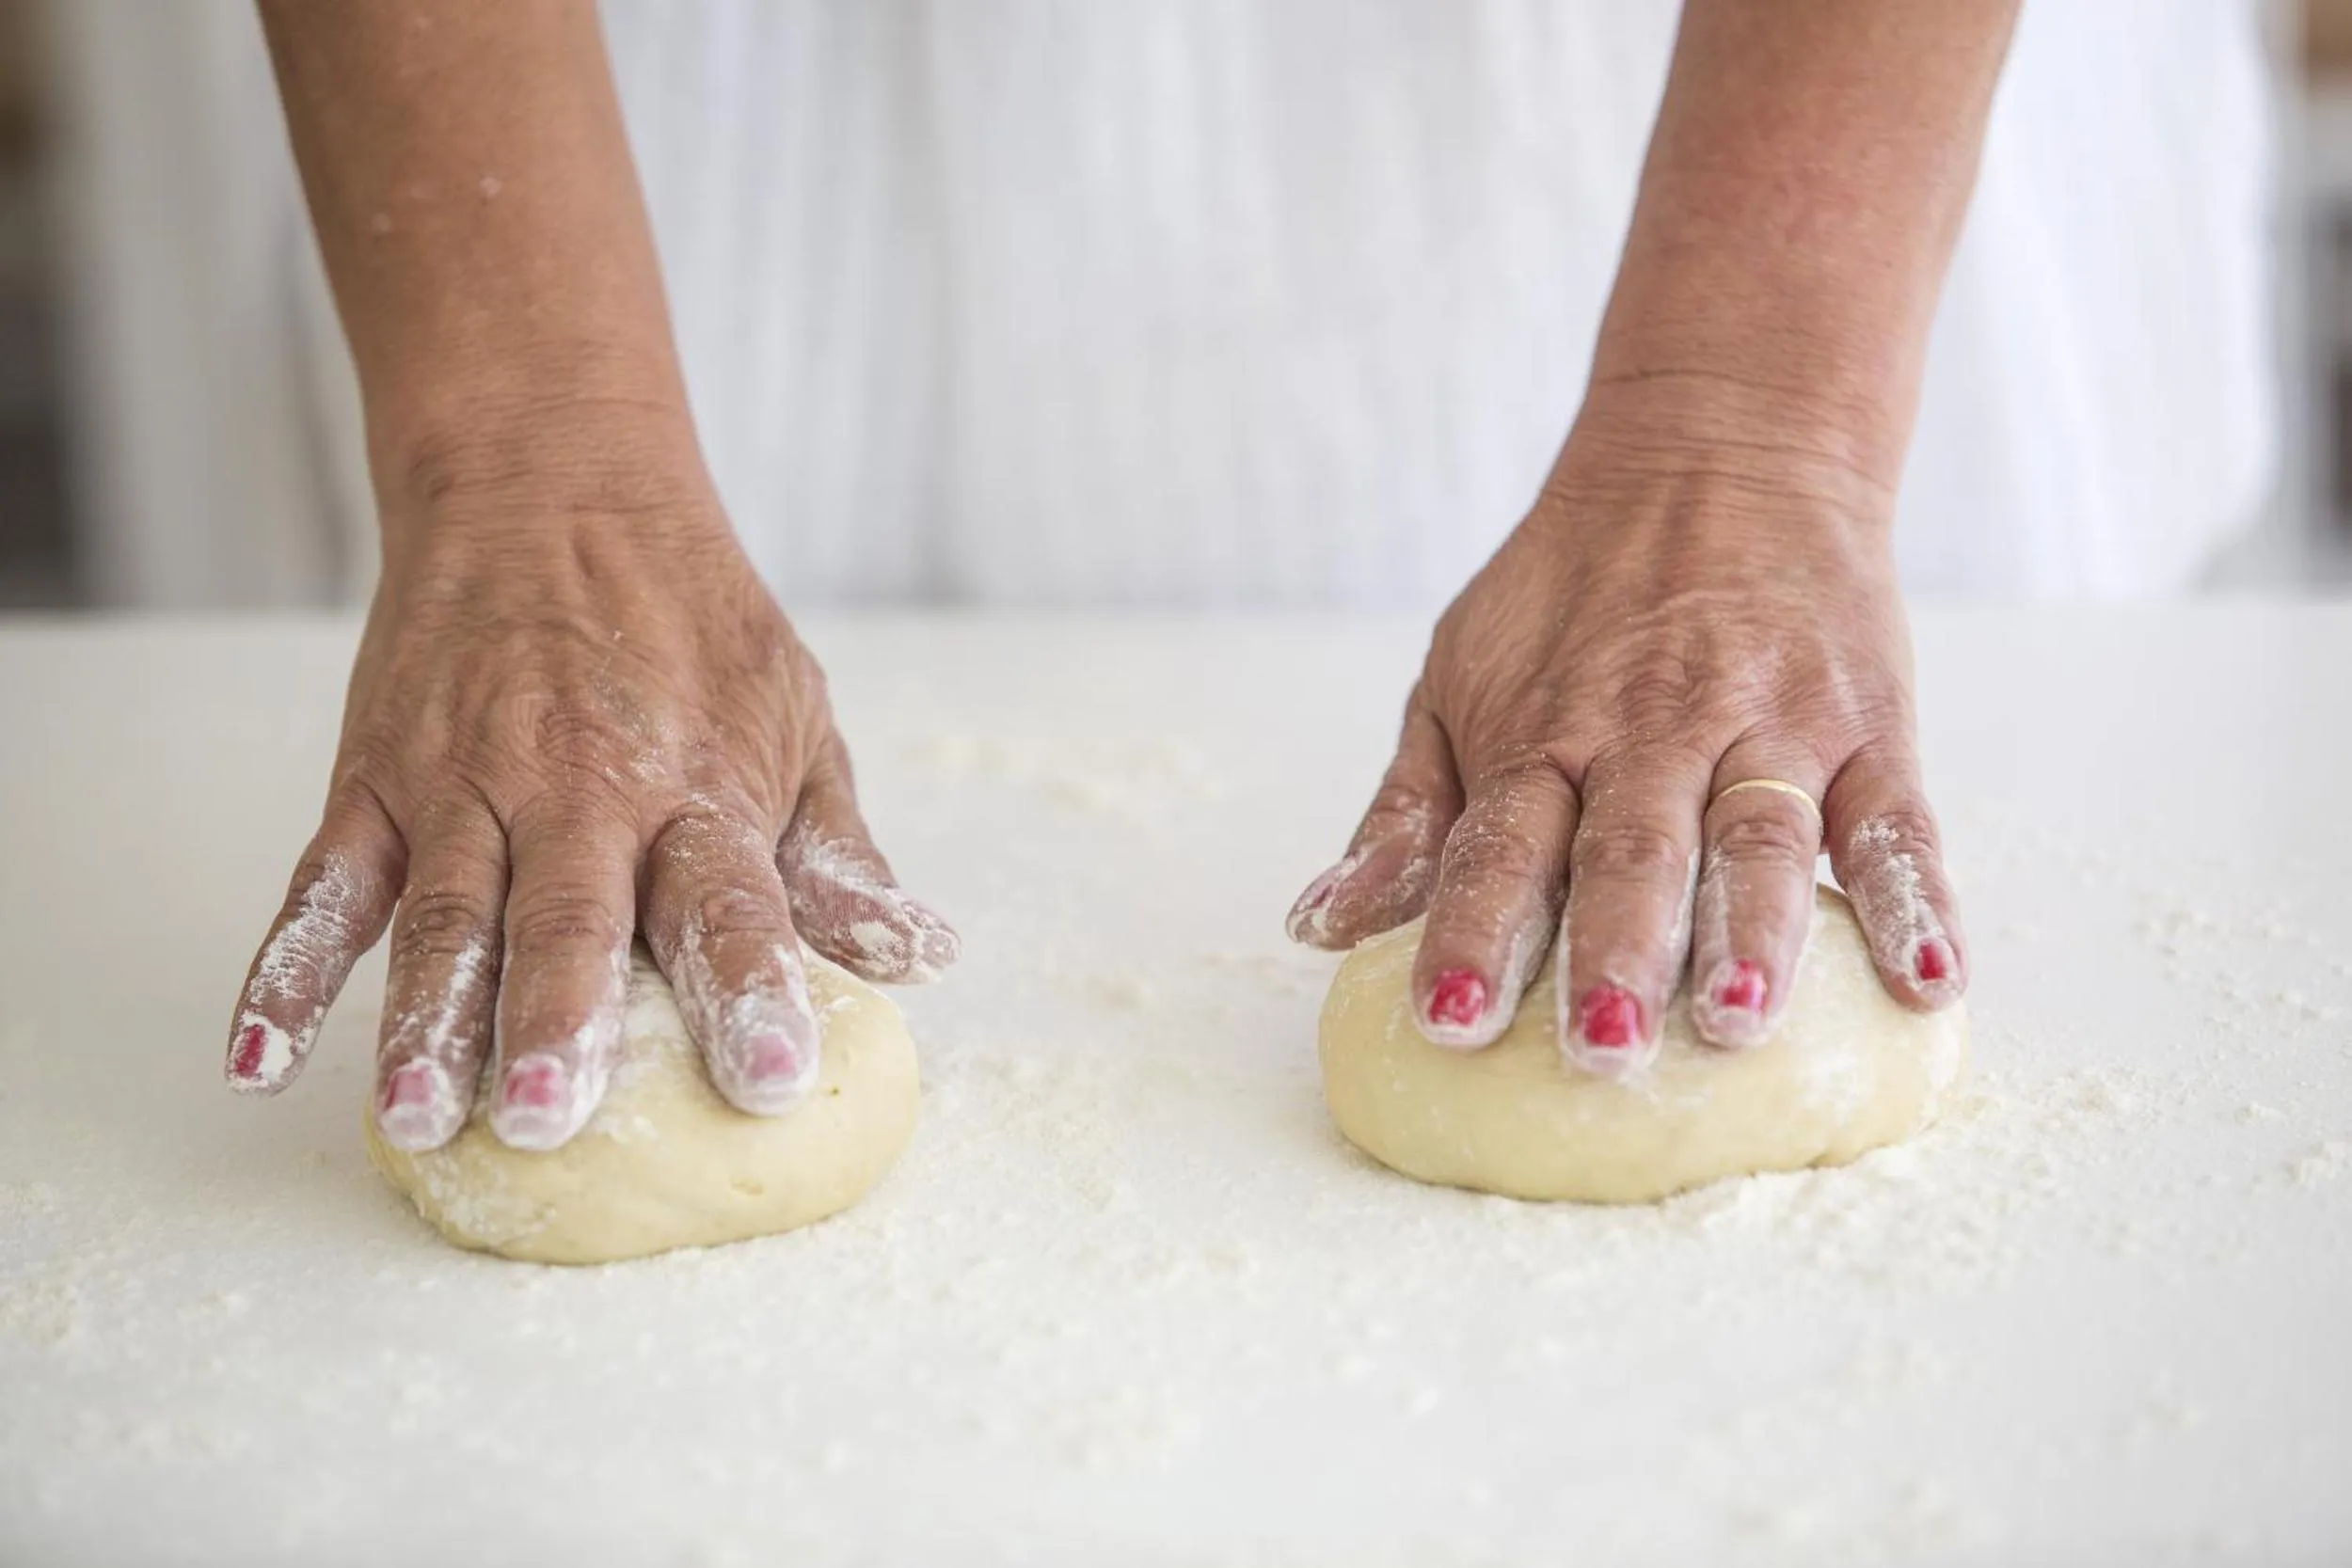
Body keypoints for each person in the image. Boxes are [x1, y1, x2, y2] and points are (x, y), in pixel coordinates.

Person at [212, 1, 2259, 1150]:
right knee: (561, 737)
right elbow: (532, 494)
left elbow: (1762, 425)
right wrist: (529, 454)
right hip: (606, 121)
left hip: (1783, 102)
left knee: (1747, 700)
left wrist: (1757, 407)